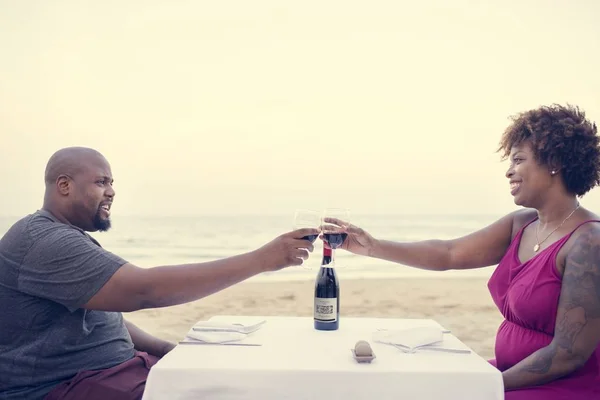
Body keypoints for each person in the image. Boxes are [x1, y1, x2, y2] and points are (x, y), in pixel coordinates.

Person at [324, 104, 600, 399]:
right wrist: (373, 247)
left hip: (560, 386)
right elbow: (449, 253)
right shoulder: (521, 224)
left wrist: (487, 385)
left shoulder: (588, 243)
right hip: (509, 374)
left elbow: (568, 354)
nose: (509, 172)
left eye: (518, 160)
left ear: (554, 162)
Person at [0, 147, 318, 400]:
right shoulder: (43, 240)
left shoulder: (66, 236)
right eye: (101, 182)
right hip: (63, 387)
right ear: (65, 185)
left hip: (117, 371)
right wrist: (262, 260)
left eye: (112, 183)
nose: (111, 191)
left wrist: (164, 348)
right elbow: (144, 291)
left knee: (240, 378)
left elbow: (102, 319)